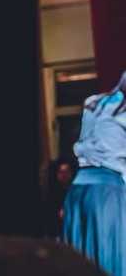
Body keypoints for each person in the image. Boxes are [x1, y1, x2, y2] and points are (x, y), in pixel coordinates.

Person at [62, 72, 126, 276]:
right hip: (106, 193)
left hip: (78, 191)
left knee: (81, 261)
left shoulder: (93, 102)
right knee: (109, 262)